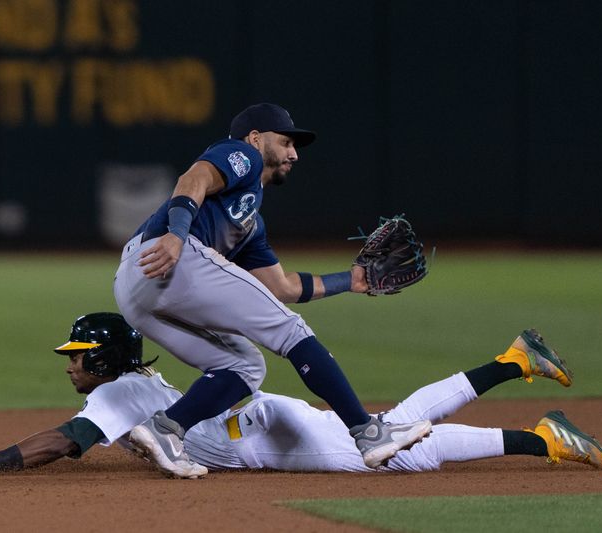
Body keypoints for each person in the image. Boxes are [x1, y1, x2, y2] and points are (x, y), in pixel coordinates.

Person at [113, 103, 430, 479]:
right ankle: (368, 433)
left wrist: (353, 280)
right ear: (255, 138)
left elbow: (282, 287)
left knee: (245, 365)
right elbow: (192, 178)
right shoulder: (242, 154)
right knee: (291, 331)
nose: (294, 153)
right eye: (286, 142)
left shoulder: (249, 223)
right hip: (169, 257)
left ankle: (165, 430)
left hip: (138, 290)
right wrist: (177, 236)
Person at [0, 313, 602, 477]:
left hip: (259, 434)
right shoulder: (132, 386)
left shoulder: (120, 392)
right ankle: (517, 369)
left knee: (399, 450)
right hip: (257, 423)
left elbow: (67, 439)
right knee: (392, 427)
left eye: (80, 356)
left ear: (104, 358)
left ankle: (538, 427)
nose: (72, 366)